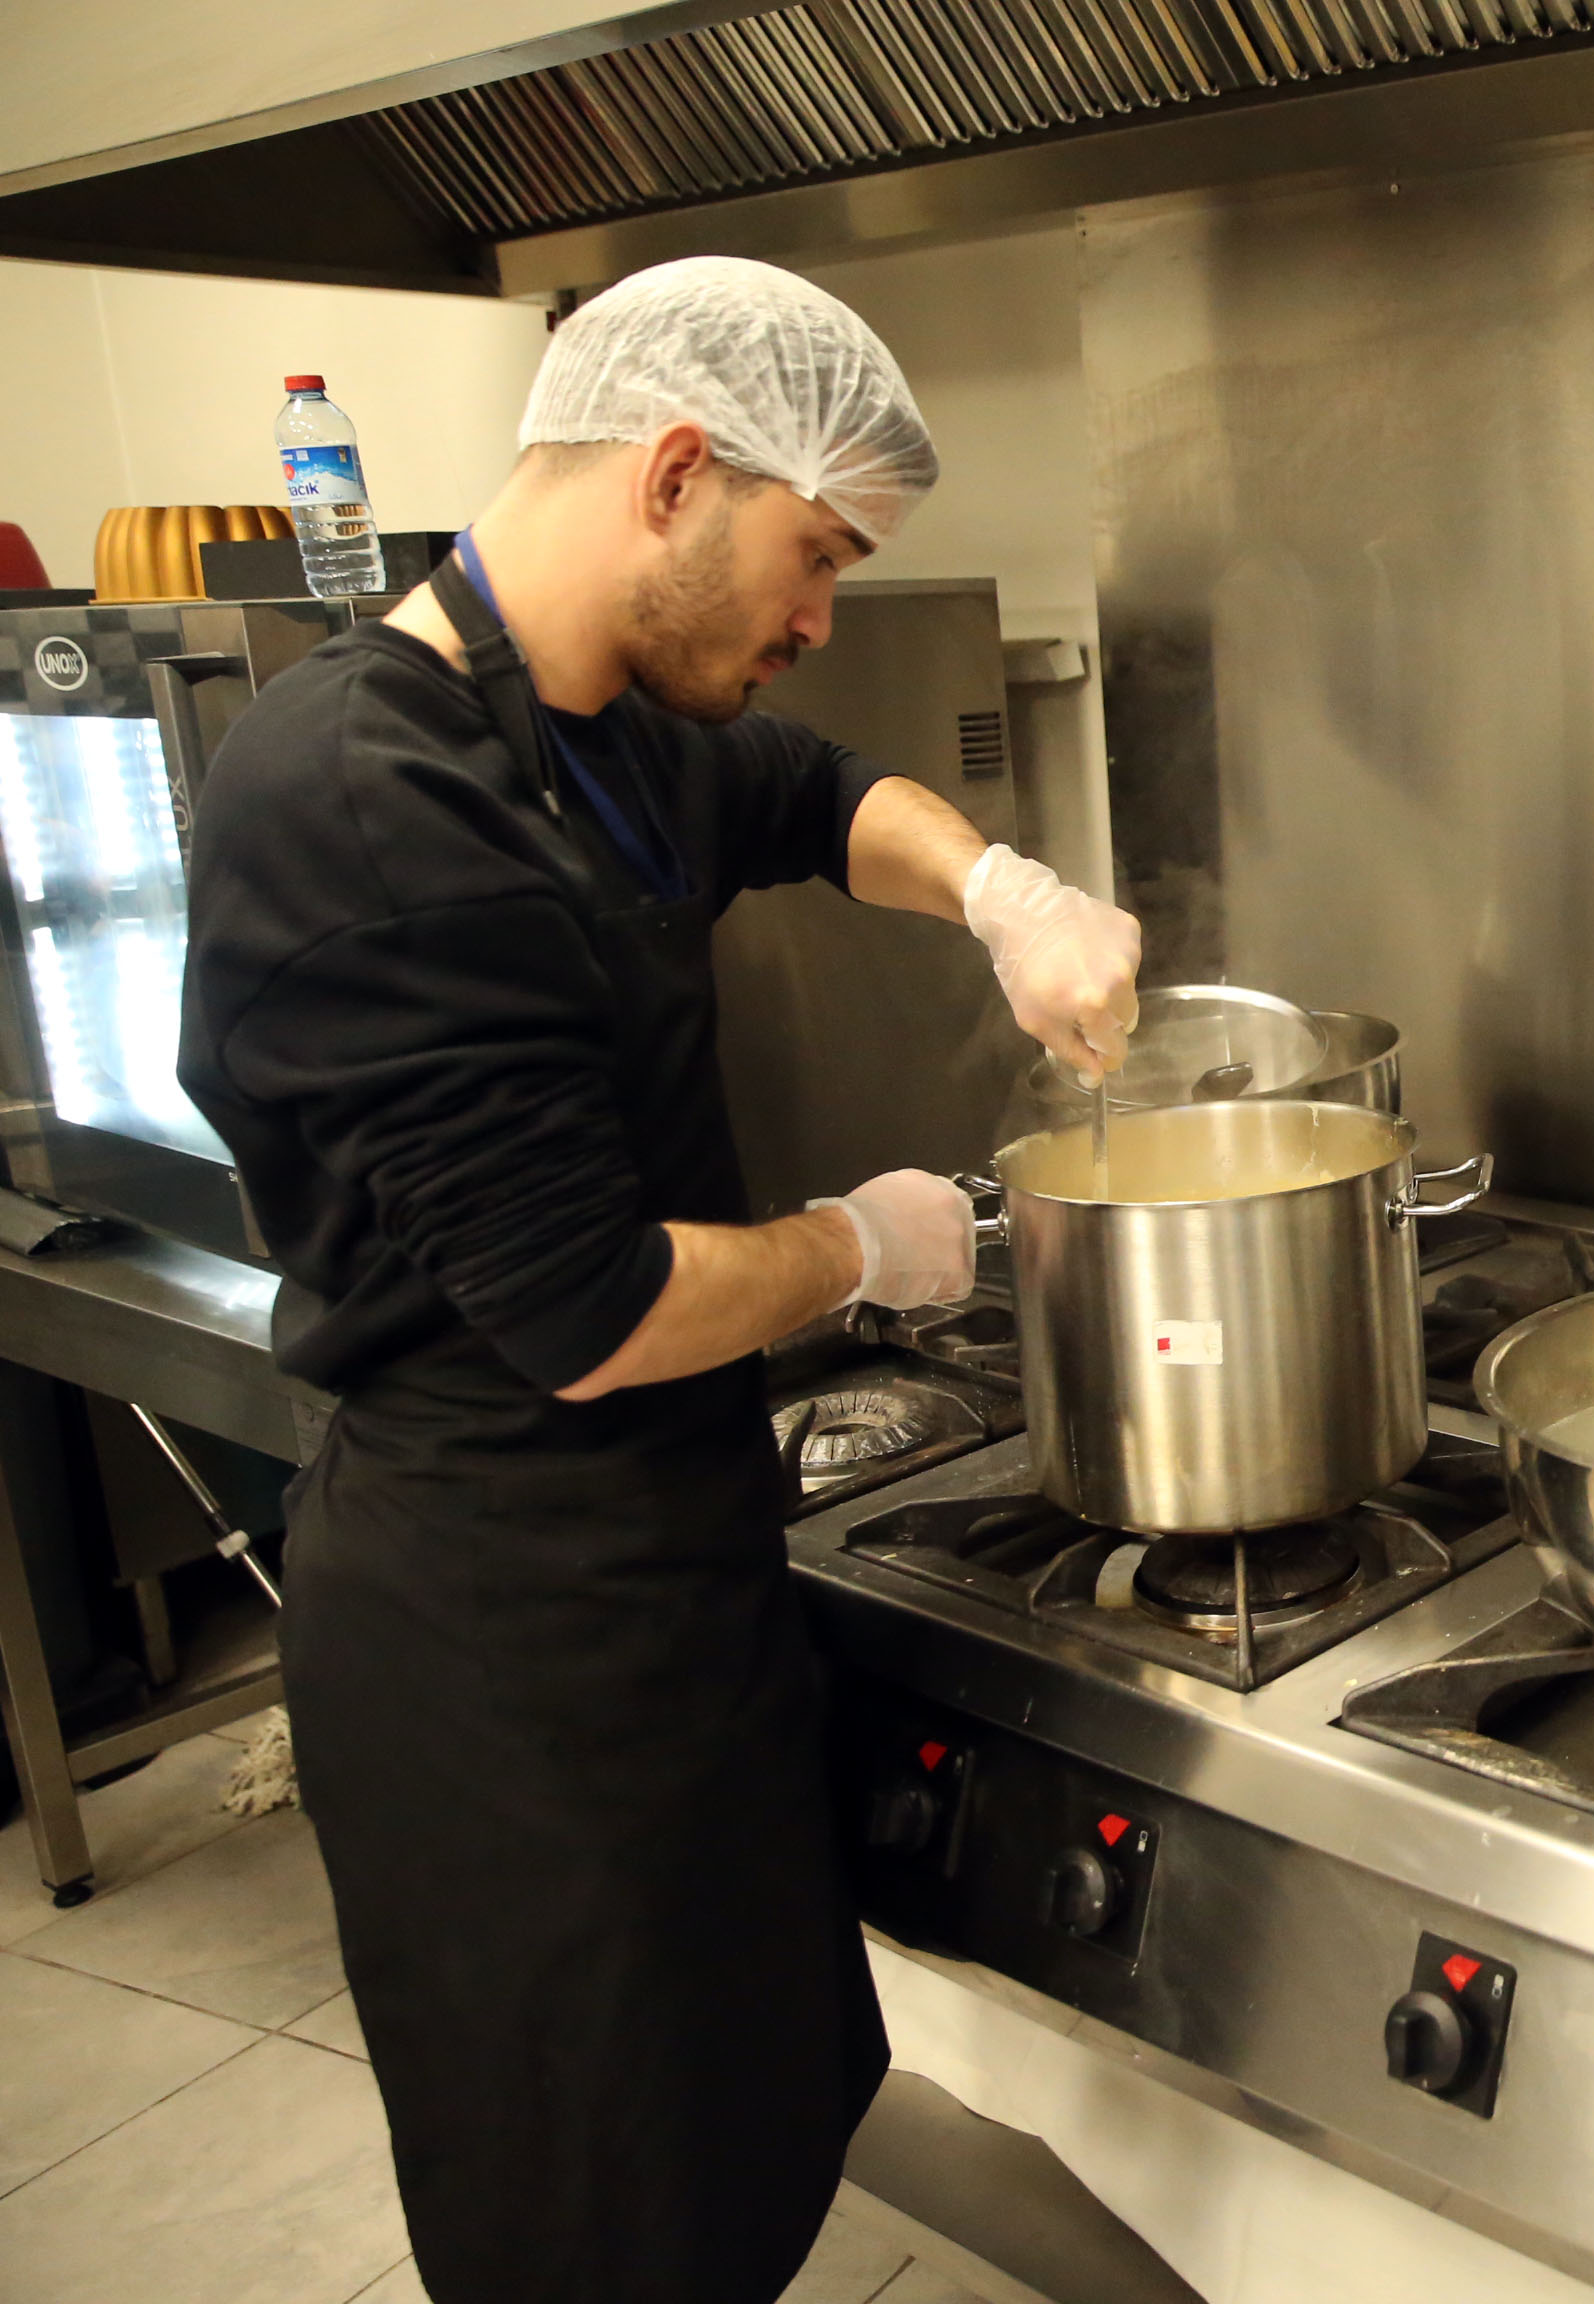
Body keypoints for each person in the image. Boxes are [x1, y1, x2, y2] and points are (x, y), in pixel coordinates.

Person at [178, 258, 1142, 2304]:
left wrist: (998, 889)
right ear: (677, 473)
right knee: (591, 2225)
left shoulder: (598, 729)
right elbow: (591, 1307)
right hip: (500, 1649)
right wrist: (863, 1249)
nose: (815, 622)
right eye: (815, 560)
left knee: (739, 2163)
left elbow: (812, 795)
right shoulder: (370, 800)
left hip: (667, 1577)